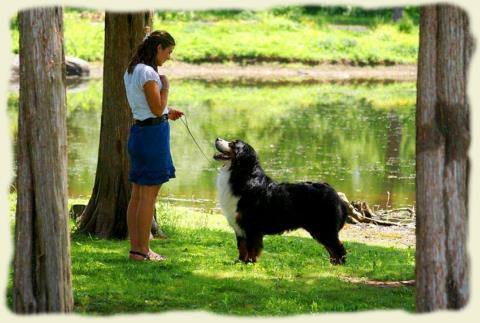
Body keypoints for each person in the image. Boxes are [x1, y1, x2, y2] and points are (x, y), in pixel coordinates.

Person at [123, 29, 183, 261]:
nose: (169, 57)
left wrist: (168, 112)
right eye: (168, 51)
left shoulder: (132, 71)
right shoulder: (149, 73)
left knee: (138, 194)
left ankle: (136, 249)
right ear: (158, 48)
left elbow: (150, 108)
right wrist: (166, 86)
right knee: (148, 196)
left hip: (140, 132)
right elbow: (156, 108)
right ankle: (143, 250)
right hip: (152, 136)